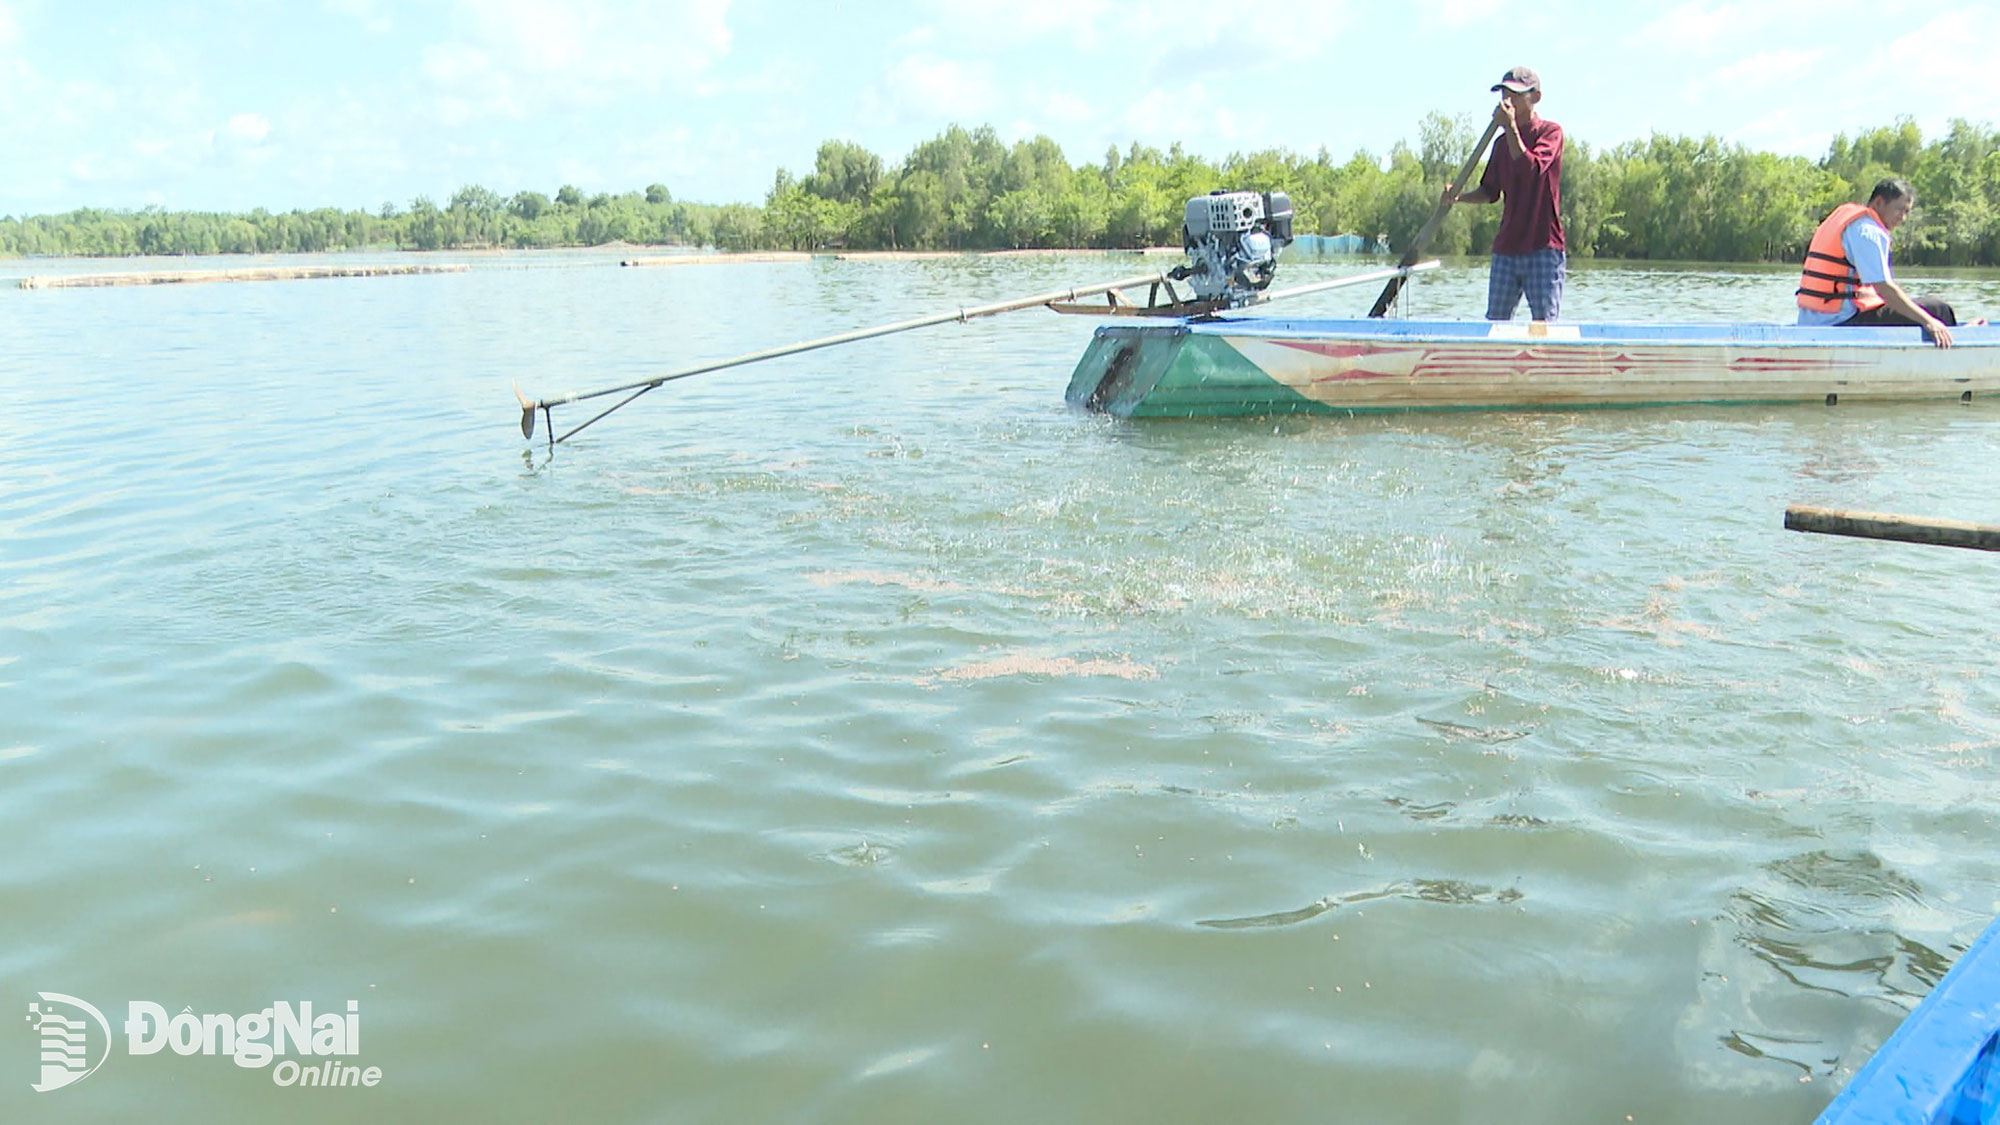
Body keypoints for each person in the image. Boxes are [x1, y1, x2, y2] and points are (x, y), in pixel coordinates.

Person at [1443, 66, 1566, 321]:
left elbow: (1530, 170)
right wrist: (1459, 197)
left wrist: (1510, 127)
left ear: (1535, 97)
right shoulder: (1500, 144)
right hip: (1507, 250)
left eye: (1516, 94)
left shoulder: (1550, 133)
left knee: (1544, 327)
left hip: (1543, 249)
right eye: (1504, 93)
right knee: (1495, 325)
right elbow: (1490, 191)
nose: (1507, 100)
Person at [1797, 178, 1957, 348]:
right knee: (1938, 308)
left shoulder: (1844, 218)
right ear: (1879, 202)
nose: (1903, 218)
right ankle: (1954, 352)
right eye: (1900, 210)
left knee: (1913, 308)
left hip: (1811, 324)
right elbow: (1885, 289)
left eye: (1907, 212)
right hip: (1841, 324)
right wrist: (1929, 322)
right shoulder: (1868, 231)